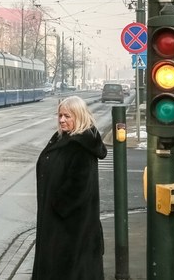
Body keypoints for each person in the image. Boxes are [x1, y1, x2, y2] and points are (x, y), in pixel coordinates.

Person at [32, 95, 106, 280]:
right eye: (60, 115)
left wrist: (56, 206)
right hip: (59, 224)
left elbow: (78, 186)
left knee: (68, 271)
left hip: (69, 229)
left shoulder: (80, 146)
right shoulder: (63, 139)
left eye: (67, 116)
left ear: (79, 116)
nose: (62, 120)